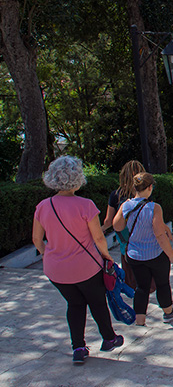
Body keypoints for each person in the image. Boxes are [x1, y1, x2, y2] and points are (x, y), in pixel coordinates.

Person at [32, 156, 123, 364]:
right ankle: (109, 338)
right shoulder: (86, 205)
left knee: (74, 304)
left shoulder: (43, 206)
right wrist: (107, 256)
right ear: (77, 178)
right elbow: (98, 237)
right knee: (97, 302)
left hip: (56, 270)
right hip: (85, 267)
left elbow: (37, 240)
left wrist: (48, 254)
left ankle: (78, 348)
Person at [113, 172, 173, 326]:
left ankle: (140, 319)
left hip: (134, 254)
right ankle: (168, 312)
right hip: (155, 254)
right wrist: (172, 256)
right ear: (150, 187)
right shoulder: (154, 207)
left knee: (141, 287)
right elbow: (159, 234)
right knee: (162, 283)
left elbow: (117, 226)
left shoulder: (126, 205)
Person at [102, 160, 150, 291]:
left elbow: (108, 221)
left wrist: (100, 231)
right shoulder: (145, 193)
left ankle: (133, 293)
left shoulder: (116, 195)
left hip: (126, 241)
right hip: (144, 240)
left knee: (129, 272)